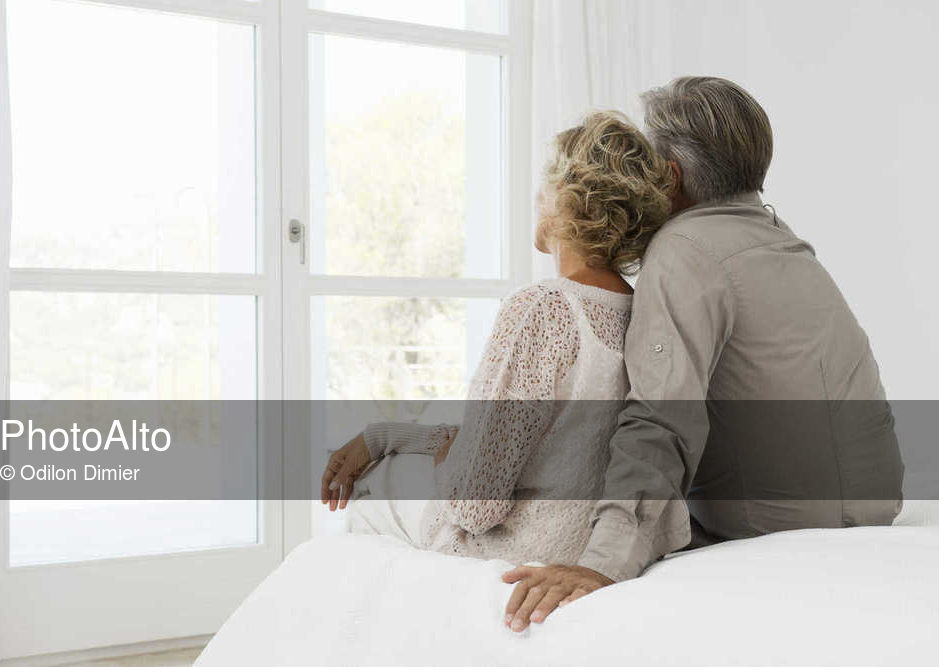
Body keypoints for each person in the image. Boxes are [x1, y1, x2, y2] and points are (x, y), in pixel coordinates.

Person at [501, 76, 904, 632]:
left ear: (669, 175)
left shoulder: (682, 251)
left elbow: (659, 418)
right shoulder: (785, 241)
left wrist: (600, 565)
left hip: (777, 526)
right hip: (874, 507)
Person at [321, 111, 674, 568]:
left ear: (568, 200)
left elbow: (474, 505)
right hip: (591, 544)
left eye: (544, 184)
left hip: (517, 549)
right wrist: (385, 436)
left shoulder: (543, 309)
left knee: (369, 493)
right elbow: (531, 445)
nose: (536, 196)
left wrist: (429, 462)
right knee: (393, 462)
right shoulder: (639, 311)